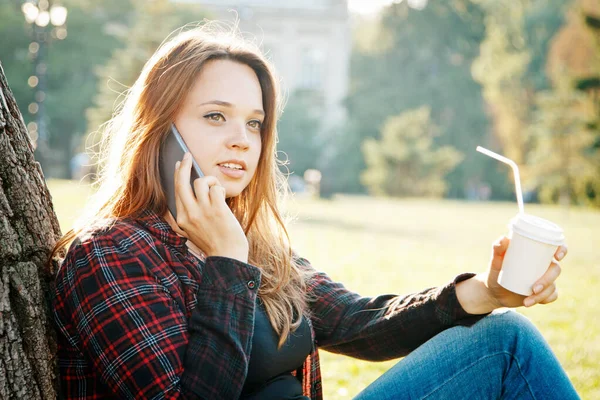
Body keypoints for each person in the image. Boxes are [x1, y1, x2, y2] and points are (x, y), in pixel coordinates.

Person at [49, 25, 580, 400]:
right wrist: (227, 266)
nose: (241, 140)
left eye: (254, 123)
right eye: (216, 116)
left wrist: (485, 290)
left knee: (503, 339)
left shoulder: (255, 241)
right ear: (160, 133)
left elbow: (359, 322)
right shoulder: (108, 256)